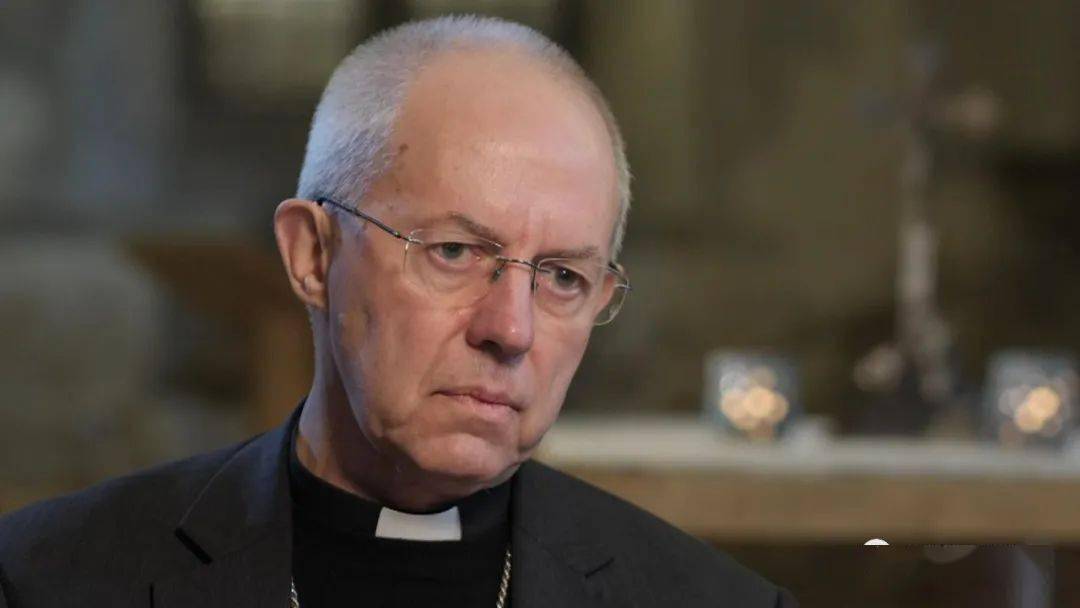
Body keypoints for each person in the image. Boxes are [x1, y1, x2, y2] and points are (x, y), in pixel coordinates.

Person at [0, 15, 796, 607]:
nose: (511, 330)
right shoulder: (46, 581)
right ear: (313, 255)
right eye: (453, 252)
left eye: (561, 276)